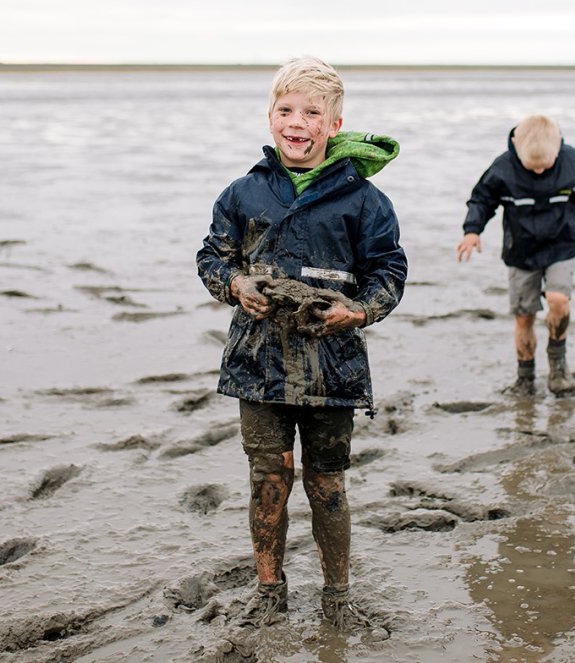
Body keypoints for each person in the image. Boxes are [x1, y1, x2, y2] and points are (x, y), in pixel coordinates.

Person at [196, 56, 407, 630]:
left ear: (333, 124)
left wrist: (359, 311)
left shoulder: (365, 201)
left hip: (331, 367)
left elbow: (389, 273)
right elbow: (212, 257)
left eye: (312, 112)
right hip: (256, 363)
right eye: (286, 110)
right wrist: (236, 284)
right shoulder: (243, 194)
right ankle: (270, 591)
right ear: (270, 119)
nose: (298, 122)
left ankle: (337, 596)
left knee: (327, 480)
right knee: (268, 477)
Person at [457, 115, 575, 395]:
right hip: (521, 250)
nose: (540, 172)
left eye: (546, 166)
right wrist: (472, 230)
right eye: (533, 168)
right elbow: (481, 199)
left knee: (558, 300)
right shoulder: (502, 169)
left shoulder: (572, 163)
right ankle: (525, 377)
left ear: (558, 149)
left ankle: (558, 364)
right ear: (516, 150)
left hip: (561, 245)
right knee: (524, 317)